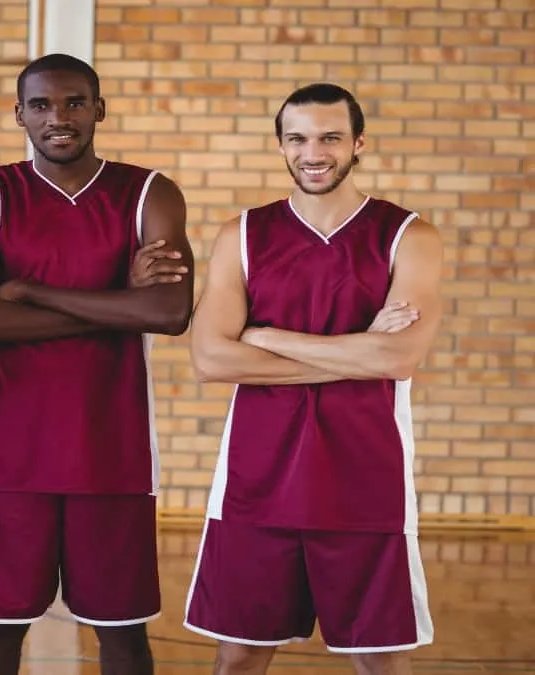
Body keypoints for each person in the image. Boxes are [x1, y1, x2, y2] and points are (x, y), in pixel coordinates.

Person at [0, 53, 195, 675]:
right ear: (19, 114)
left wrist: (29, 290)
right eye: (42, 105)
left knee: (123, 634)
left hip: (112, 450)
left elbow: (168, 311)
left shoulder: (149, 192)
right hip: (7, 453)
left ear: (100, 110)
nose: (59, 118)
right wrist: (119, 305)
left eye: (75, 102)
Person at [185, 83, 443, 674]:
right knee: (240, 657)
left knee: (380, 662)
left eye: (330, 137)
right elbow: (210, 361)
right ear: (280, 145)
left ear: (358, 143)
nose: (314, 152)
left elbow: (397, 359)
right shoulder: (242, 235)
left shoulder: (410, 236)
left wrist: (265, 335)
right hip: (256, 480)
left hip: (365, 482)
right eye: (297, 138)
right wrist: (355, 351)